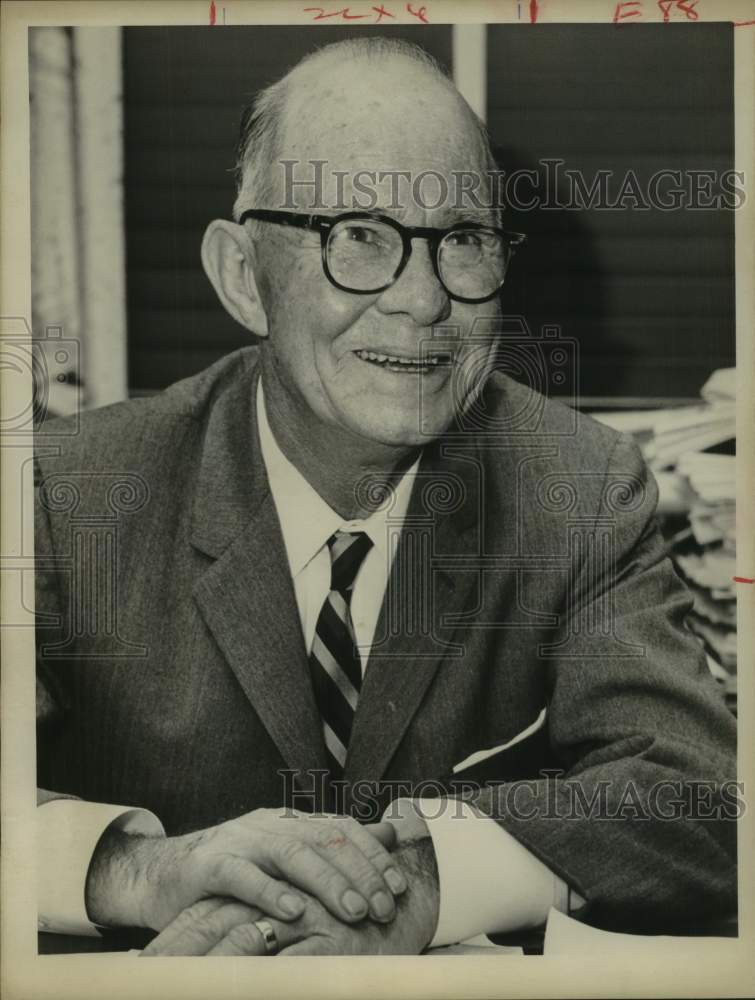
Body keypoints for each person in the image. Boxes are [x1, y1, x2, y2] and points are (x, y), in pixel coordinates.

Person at [35, 37, 736, 956]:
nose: (422, 299)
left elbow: (698, 797)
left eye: (463, 241)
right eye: (358, 236)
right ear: (243, 277)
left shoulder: (581, 486)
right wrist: (137, 869)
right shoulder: (63, 489)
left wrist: (421, 887)